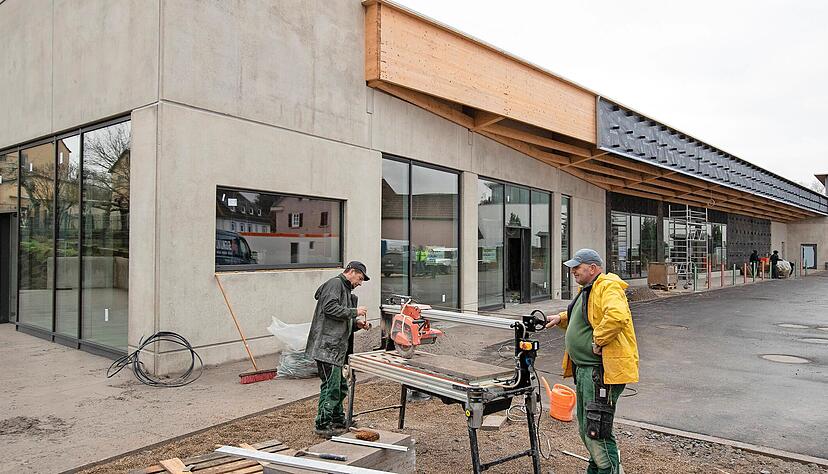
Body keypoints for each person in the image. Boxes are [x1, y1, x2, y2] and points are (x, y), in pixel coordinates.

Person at [545, 249, 639, 474]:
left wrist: (599, 339)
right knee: (588, 426)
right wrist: (561, 318)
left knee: (596, 427)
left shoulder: (607, 287)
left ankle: (609, 470)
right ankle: (597, 469)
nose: (573, 271)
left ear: (593, 268)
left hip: (600, 373)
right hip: (587, 371)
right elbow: (586, 315)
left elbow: (616, 316)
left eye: (578, 267)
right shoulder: (588, 290)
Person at [305, 261, 372, 438]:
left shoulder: (346, 291)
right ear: (351, 272)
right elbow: (330, 309)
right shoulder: (335, 284)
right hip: (327, 348)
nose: (360, 283)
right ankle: (322, 424)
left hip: (336, 349)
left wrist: (357, 324)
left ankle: (337, 419)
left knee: (340, 386)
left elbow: (339, 319)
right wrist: (354, 312)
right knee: (331, 387)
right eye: (360, 278)